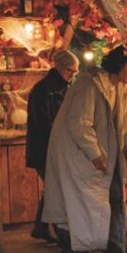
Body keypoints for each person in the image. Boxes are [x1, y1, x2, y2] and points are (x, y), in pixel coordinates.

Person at [42, 46, 127, 253]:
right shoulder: (89, 84)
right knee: (91, 205)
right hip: (79, 155)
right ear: (119, 65)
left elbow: (126, 131)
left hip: (99, 156)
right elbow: (79, 123)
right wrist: (95, 154)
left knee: (102, 203)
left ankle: (106, 250)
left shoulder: (120, 90)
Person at [26, 50, 79, 243]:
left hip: (56, 147)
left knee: (54, 187)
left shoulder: (64, 88)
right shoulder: (43, 90)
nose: (72, 75)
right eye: (69, 71)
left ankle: (41, 227)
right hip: (45, 148)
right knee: (58, 188)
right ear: (60, 68)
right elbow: (43, 122)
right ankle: (62, 233)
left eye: (74, 72)